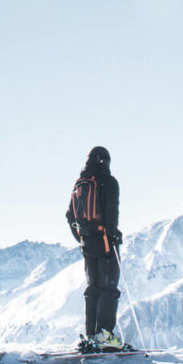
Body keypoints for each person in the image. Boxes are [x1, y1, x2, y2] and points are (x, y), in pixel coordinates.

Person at [65, 145, 124, 351]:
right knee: (109, 288)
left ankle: (91, 336)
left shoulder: (80, 184)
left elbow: (69, 216)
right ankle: (105, 336)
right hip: (105, 242)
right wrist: (112, 235)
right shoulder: (109, 182)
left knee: (93, 289)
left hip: (87, 243)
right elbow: (111, 213)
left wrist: (81, 236)